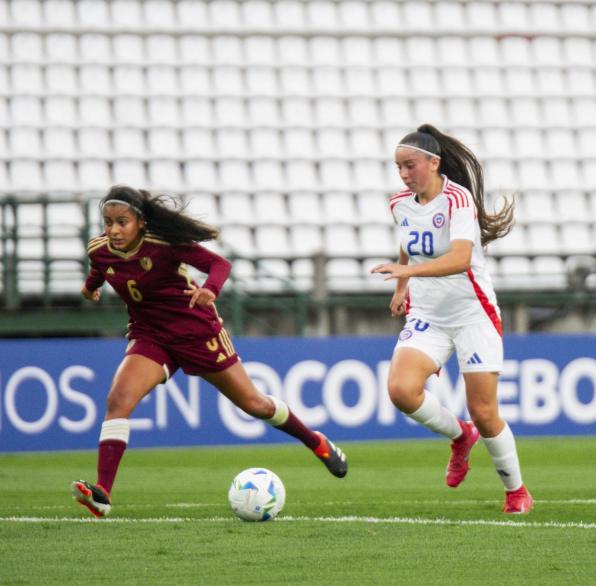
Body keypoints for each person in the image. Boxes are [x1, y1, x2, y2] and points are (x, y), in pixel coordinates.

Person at [72, 185, 347, 518]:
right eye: (108, 222)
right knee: (118, 401)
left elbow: (219, 265)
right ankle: (103, 494)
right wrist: (90, 289)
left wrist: (209, 290)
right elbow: (100, 272)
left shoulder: (165, 246)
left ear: (141, 223)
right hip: (151, 337)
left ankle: (316, 442)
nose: (114, 230)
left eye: (122, 222)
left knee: (255, 404)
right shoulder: (99, 249)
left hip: (197, 332)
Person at [370, 124, 532, 513]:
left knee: (485, 410)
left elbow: (459, 259)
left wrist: (406, 274)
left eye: (410, 166)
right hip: (428, 314)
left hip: (472, 313)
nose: (405, 174)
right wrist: (400, 289)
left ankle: (516, 491)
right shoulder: (399, 204)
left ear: (434, 162)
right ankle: (461, 436)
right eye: (399, 167)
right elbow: (409, 241)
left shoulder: (459, 201)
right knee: (400, 391)